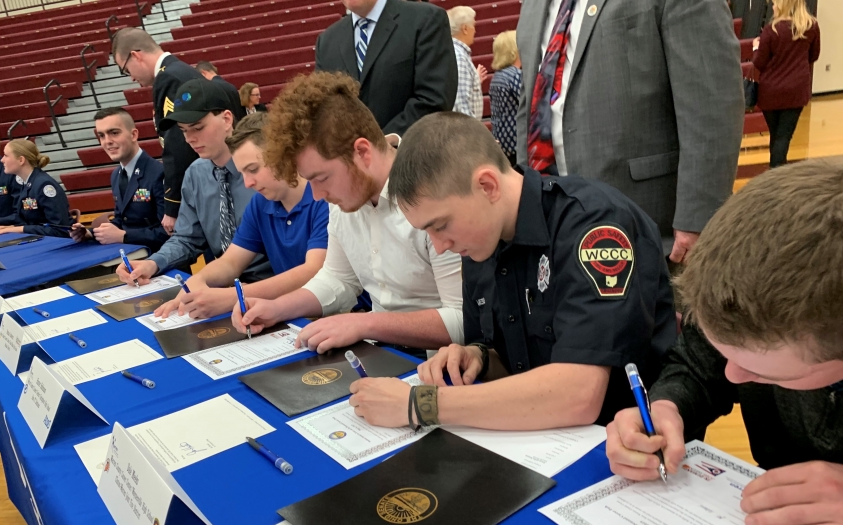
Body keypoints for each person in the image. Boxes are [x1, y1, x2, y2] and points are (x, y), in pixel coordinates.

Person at [348, 113, 675, 430]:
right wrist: (480, 358)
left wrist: (420, 404)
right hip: (540, 437)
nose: (439, 246)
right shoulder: (479, 242)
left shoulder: (592, 225)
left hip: (628, 443)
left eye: (441, 226)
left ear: (487, 186)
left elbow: (578, 393)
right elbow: (520, 364)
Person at [605, 160, 843, 525]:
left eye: (764, 373)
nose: (732, 376)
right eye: (725, 352)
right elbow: (699, 369)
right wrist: (667, 407)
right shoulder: (742, 300)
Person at [234, 72, 463, 353]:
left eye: (321, 178)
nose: (317, 195)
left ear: (363, 153)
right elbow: (338, 278)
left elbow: (462, 320)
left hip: (444, 361)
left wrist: (365, 324)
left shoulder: (436, 191)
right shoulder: (344, 196)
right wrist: (277, 308)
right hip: (385, 351)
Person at [516, 0, 743, 263]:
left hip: (653, 232)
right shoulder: (532, 7)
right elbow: (529, 109)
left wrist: (699, 218)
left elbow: (712, 104)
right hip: (557, 233)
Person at [155, 113, 329, 320]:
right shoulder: (260, 202)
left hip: (338, 314)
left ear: (284, 155)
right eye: (242, 173)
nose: (248, 183)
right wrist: (199, 281)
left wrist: (232, 297)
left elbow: (313, 271)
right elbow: (231, 262)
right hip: (296, 314)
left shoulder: (324, 198)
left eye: (253, 170)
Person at [117, 79, 268, 285]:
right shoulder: (195, 174)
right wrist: (153, 263)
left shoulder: (264, 168)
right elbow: (187, 238)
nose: (189, 138)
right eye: (184, 130)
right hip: (220, 281)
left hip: (273, 281)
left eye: (198, 127)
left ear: (226, 119)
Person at [314, 0, 458, 138]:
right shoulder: (326, 41)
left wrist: (379, 146)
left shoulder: (425, 20)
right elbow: (323, 111)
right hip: (350, 159)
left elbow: (433, 100)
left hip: (411, 156)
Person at [111, 28, 205, 235]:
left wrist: (172, 206)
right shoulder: (180, 71)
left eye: (126, 70)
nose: (131, 78)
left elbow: (177, 144)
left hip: (201, 185)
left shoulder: (169, 78)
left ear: (135, 55)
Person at [70, 108, 168, 252]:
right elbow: (121, 220)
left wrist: (124, 236)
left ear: (133, 134)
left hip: (162, 261)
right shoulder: (116, 175)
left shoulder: (159, 173)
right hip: (132, 257)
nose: (107, 141)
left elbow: (170, 232)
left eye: (114, 133)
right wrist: (91, 233)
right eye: (101, 135)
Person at [752, 0, 820, 168]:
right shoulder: (811, 27)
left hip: (771, 92)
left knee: (776, 137)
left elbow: (759, 63)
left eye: (775, 3)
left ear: (783, 5)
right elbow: (814, 56)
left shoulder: (771, 31)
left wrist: (755, 48)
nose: (773, 7)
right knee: (783, 137)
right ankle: (778, 176)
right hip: (796, 90)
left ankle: (775, 176)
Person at [0, 140, 73, 237]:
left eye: (6, 155)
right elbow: (28, 219)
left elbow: (61, 229)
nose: (2, 160)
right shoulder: (27, 183)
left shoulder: (44, 185)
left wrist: (19, 229)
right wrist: (10, 227)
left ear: (21, 160)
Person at [489, 31, 522, 166]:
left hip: (504, 141)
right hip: (517, 142)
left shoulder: (498, 76)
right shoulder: (514, 75)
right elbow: (532, 103)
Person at [448, 6, 487, 119]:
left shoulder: (455, 53)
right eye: (473, 26)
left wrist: (475, 81)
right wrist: (472, 134)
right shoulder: (459, 56)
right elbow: (461, 105)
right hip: (466, 131)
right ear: (465, 28)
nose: (475, 30)